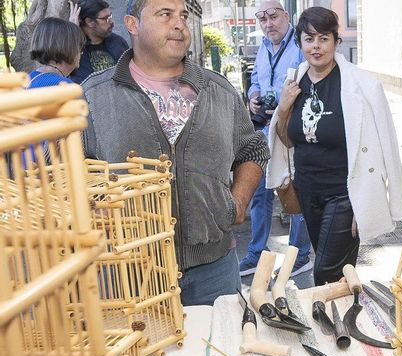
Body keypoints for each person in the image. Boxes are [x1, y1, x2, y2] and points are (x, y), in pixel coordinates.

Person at [82, 0, 266, 306]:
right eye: (165, 15)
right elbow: (61, 170)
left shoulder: (217, 91)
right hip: (130, 274)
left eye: (182, 15)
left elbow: (253, 149)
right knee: (146, 354)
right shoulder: (94, 96)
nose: (179, 24)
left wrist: (237, 203)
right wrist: (93, 209)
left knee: (222, 349)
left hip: (214, 269)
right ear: (132, 25)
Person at [267, 6, 402, 286]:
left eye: (323, 38)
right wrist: (283, 107)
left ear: (336, 41)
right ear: (300, 43)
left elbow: (384, 147)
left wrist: (365, 203)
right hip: (307, 190)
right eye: (309, 39)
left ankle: (329, 325)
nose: (316, 46)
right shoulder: (294, 83)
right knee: (339, 274)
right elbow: (287, 140)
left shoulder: (362, 86)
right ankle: (343, 326)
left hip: (344, 194)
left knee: (325, 273)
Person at [238, 0, 312, 277]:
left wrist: (284, 104)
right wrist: (254, 97)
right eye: (262, 19)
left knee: (291, 190)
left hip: (290, 129)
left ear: (286, 15)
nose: (268, 24)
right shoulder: (263, 48)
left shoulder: (300, 46)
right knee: (259, 193)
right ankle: (256, 254)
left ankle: (299, 254)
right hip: (263, 129)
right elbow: (256, 79)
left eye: (273, 16)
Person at [71, 0, 128, 83]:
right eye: (105, 19)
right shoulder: (74, 49)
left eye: (110, 16)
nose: (111, 22)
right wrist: (72, 33)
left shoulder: (118, 43)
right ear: (90, 22)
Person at [28, 17, 84, 88]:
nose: (81, 52)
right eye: (79, 47)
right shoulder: (66, 87)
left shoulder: (27, 80)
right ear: (67, 48)